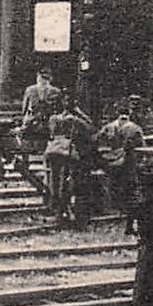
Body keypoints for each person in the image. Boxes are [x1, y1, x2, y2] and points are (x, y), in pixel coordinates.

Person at [96, 98, 147, 235]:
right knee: (130, 190)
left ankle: (114, 209)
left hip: (111, 162)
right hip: (129, 163)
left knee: (114, 185)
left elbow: (98, 141)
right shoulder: (135, 128)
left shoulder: (109, 127)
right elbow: (142, 148)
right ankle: (127, 219)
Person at [46, 94, 97, 223]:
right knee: (66, 181)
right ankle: (64, 210)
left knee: (54, 180)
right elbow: (90, 128)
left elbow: (51, 133)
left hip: (54, 151)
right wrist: (79, 113)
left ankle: (57, 210)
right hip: (67, 152)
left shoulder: (53, 118)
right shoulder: (75, 120)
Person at [16, 69, 63, 206]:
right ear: (50, 79)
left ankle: (25, 161)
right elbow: (59, 109)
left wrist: (25, 120)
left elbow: (24, 108)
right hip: (48, 126)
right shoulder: (55, 91)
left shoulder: (30, 90)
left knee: (25, 145)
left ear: (38, 77)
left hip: (31, 125)